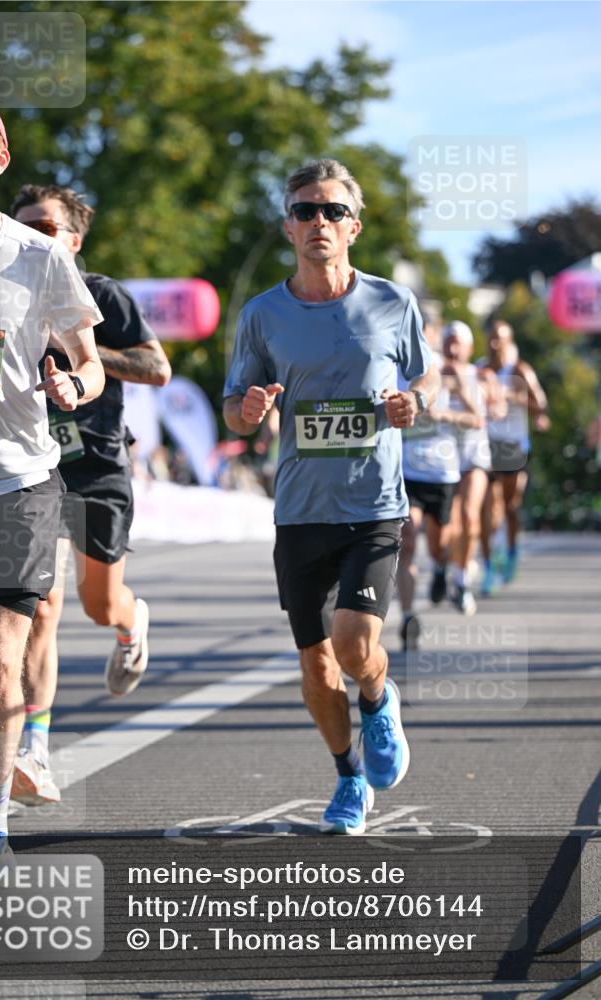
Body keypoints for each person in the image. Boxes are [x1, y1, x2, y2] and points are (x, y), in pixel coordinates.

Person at [223, 159, 440, 835]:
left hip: (373, 505)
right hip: (299, 510)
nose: (319, 221)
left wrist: (414, 404)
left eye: (333, 211)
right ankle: (349, 777)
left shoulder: (391, 303)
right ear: (288, 226)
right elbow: (234, 407)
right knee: (317, 666)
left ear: (354, 226)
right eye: (305, 210)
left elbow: (426, 380)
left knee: (352, 644)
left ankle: (376, 695)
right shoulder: (262, 314)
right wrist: (247, 411)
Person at [0, 93, 104, 887]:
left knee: (2, 663)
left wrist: (74, 383)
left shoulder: (38, 257)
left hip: (17, 482)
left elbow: (90, 362)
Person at [9, 184, 172, 805]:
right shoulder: (1, 295)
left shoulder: (102, 296)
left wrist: (78, 350)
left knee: (100, 605)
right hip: (32, 469)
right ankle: (35, 748)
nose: (32, 237)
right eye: (22, 226)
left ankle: (130, 625)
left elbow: (157, 369)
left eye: (46, 228)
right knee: (43, 605)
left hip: (97, 467)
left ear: (73, 241)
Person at [396, 319, 483, 645]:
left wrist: (444, 416)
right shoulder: (396, 369)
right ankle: (408, 616)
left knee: (439, 546)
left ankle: (440, 569)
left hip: (443, 474)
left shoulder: (448, 373)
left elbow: (476, 419)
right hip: (409, 472)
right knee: (407, 540)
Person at [480, 320, 550, 594]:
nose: (494, 343)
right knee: (488, 506)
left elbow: (540, 404)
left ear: (509, 342)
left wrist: (514, 397)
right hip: (486, 443)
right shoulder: (480, 368)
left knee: (509, 506)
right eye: (492, 337)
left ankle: (510, 550)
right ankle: (489, 566)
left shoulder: (519, 370)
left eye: (500, 338)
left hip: (513, 446)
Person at [443, 321, 500, 615]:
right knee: (449, 526)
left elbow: (498, 407)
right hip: (444, 458)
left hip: (475, 456)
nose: (453, 347)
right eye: (448, 341)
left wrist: (494, 403)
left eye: (458, 342)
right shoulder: (435, 374)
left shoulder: (482, 375)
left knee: (469, 514)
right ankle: (452, 567)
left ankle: (463, 579)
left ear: (469, 347)